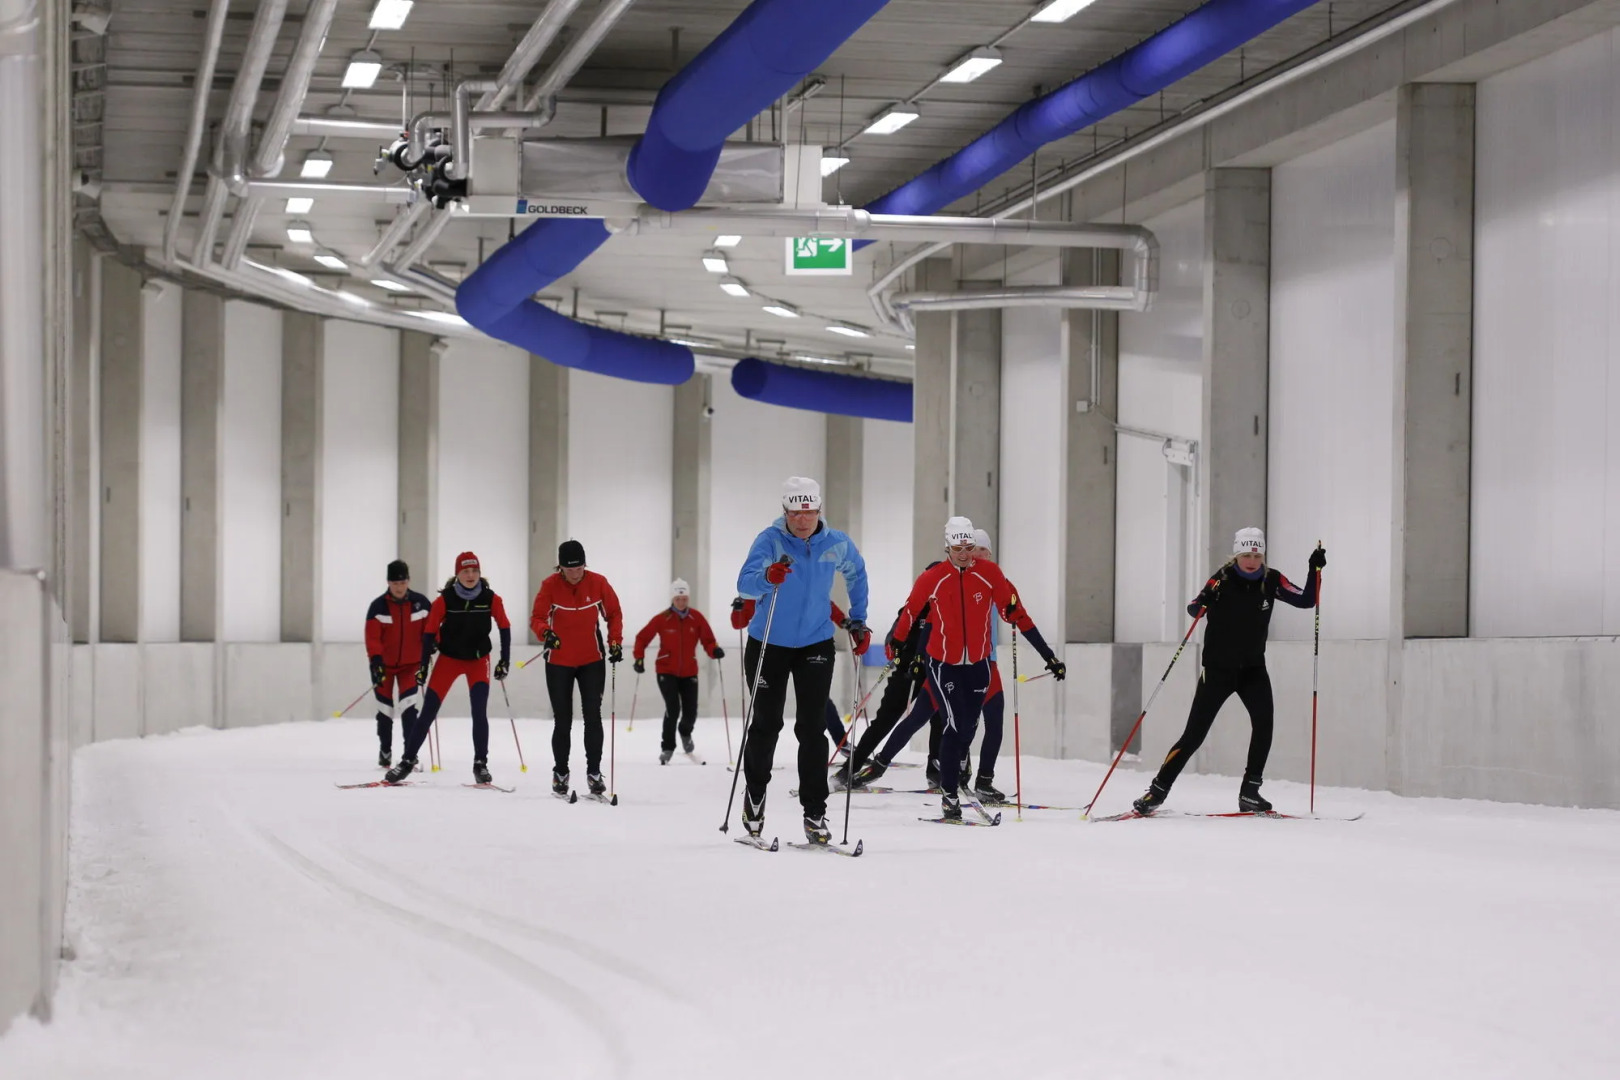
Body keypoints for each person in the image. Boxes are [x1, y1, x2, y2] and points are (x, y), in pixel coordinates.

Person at [853, 526, 1065, 804]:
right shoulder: (946, 578)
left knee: (992, 721)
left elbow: (1020, 617)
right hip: (946, 663)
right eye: (970, 550)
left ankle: (981, 780)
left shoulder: (994, 578)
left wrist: (1049, 656)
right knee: (923, 717)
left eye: (981, 550)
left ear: (988, 553)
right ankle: (885, 765)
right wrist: (917, 656)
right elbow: (926, 619)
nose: (975, 555)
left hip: (984, 663)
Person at [1132, 528, 1326, 815]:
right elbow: (1194, 609)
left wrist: (1314, 569)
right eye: (1246, 555)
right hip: (1218, 670)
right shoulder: (1222, 579)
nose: (1252, 561)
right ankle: (1156, 792)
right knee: (1194, 735)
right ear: (1236, 555)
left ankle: (1250, 792)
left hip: (1253, 670)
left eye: (1257, 555)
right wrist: (1206, 600)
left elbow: (1307, 600)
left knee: (1264, 725)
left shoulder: (1271, 579)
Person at [736, 476, 870, 845]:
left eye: (809, 511)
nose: (802, 519)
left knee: (812, 728)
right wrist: (768, 576)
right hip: (768, 643)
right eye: (795, 512)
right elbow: (745, 584)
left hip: (815, 643)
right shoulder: (770, 540)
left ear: (818, 510)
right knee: (766, 725)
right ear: (785, 511)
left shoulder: (836, 542)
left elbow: (856, 573)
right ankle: (755, 798)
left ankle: (815, 812)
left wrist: (858, 618)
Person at [384, 552, 512, 784]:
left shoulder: (491, 598)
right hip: (449, 660)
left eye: (474, 571)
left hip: (478, 661)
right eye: (465, 571)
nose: (470, 575)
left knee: (479, 712)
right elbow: (429, 632)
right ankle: (407, 761)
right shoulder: (445, 600)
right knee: (428, 712)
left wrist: (505, 660)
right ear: (457, 574)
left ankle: (480, 764)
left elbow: (504, 626)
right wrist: (423, 666)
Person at [531, 540, 623, 798]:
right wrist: (546, 633)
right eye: (569, 569)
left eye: (579, 568)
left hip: (591, 660)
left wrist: (615, 642)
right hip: (558, 661)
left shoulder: (598, 583)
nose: (575, 573)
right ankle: (560, 773)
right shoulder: (550, 585)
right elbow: (537, 618)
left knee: (593, 715)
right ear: (560, 567)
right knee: (563, 719)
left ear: (585, 564)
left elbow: (614, 613)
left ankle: (594, 772)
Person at [732, 595, 856, 758]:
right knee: (767, 711)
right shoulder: (763, 588)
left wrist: (842, 620)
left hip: (805, 649)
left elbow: (821, 601)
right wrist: (738, 609)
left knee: (818, 702)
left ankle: (842, 742)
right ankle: (758, 760)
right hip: (773, 651)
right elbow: (738, 623)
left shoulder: (803, 584)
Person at [633, 579, 723, 765]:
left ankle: (685, 732)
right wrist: (639, 658)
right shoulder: (662, 618)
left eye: (684, 598)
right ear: (672, 599)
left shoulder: (696, 618)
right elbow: (642, 637)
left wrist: (714, 650)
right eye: (677, 599)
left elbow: (708, 640)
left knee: (691, 712)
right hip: (666, 670)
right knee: (672, 709)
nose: (681, 602)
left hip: (689, 671)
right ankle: (667, 747)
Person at [364, 560, 432, 767]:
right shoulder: (378, 607)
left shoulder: (421, 603)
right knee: (385, 710)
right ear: (388, 583)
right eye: (395, 583)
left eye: (402, 583)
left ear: (408, 581)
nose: (399, 587)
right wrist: (376, 661)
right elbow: (372, 638)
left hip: (411, 666)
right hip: (383, 666)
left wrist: (433, 643)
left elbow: (431, 629)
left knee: (409, 707)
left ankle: (409, 754)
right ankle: (385, 750)